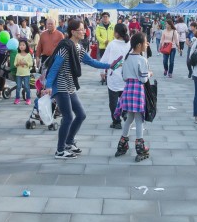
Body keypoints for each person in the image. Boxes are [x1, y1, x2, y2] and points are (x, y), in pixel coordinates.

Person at [41, 18, 111, 158]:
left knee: (81, 115)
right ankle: (60, 150)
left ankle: (69, 142)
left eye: (84, 29)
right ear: (73, 32)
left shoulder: (78, 47)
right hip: (60, 85)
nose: (84, 32)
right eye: (81, 29)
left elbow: (91, 62)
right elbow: (54, 67)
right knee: (68, 117)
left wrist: (109, 65)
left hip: (70, 85)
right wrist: (48, 85)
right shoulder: (66, 47)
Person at [114, 32, 152, 161]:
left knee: (129, 117)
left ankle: (122, 143)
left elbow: (124, 76)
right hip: (137, 91)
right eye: (146, 42)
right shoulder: (142, 60)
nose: (147, 44)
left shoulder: (126, 58)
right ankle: (140, 147)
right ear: (139, 45)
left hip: (127, 89)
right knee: (139, 119)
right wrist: (149, 75)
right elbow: (143, 79)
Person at [101, 23, 131, 130]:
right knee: (125, 99)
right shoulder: (130, 44)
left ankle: (116, 122)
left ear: (117, 33)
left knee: (113, 102)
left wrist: (102, 71)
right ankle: (125, 113)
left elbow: (104, 59)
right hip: (127, 77)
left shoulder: (112, 44)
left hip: (113, 77)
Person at [13, 40, 34, 105]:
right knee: (18, 87)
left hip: (26, 74)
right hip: (19, 74)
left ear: (26, 46)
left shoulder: (28, 55)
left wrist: (25, 63)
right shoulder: (17, 55)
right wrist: (18, 63)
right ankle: (17, 98)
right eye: (20, 45)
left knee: (27, 87)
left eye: (23, 45)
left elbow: (31, 64)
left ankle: (28, 99)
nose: (21, 46)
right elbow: (15, 64)